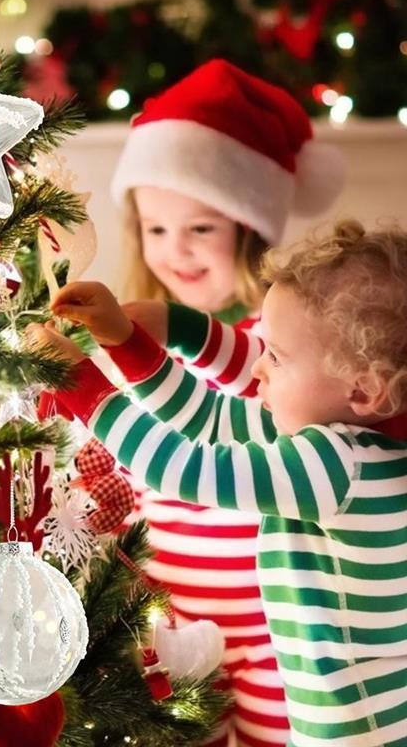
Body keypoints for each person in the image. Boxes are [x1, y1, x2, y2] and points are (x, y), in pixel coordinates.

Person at [29, 220, 407, 747]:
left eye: (275, 357)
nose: (258, 373)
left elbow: (182, 466)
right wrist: (127, 342)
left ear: (363, 391)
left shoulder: (334, 467)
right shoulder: (360, 442)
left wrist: (84, 386)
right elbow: (213, 419)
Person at [96, 58, 344, 747]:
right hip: (173, 614)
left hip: (272, 616)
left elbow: (257, 414)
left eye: (200, 229)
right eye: (156, 229)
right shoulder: (133, 343)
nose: (175, 250)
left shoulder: (279, 338)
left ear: (247, 228)